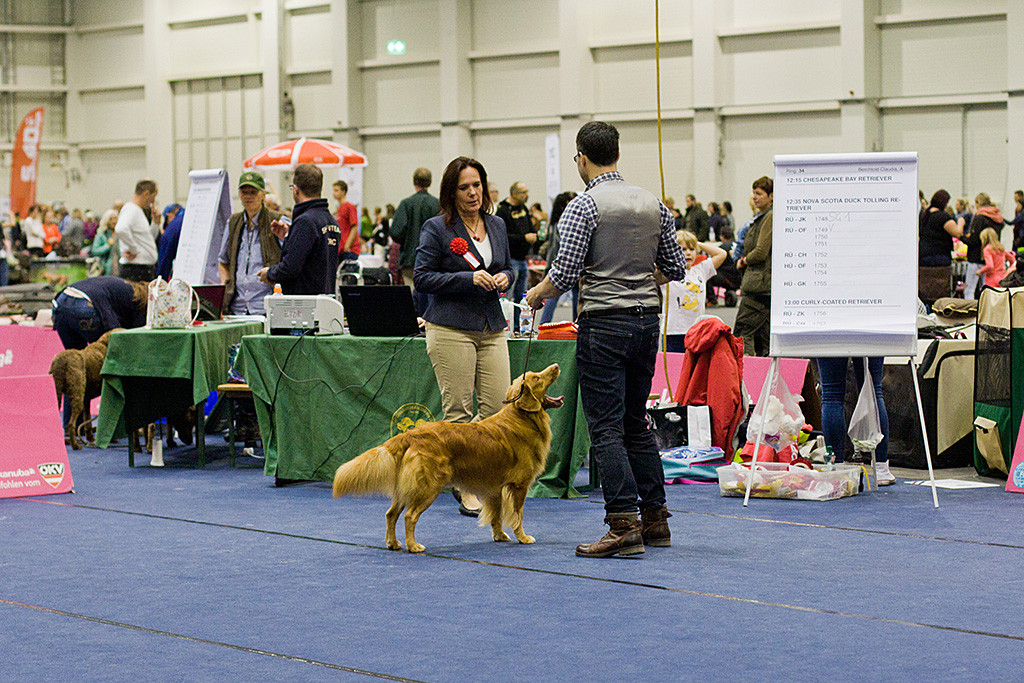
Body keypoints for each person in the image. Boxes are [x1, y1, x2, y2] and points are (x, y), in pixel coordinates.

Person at [525, 120, 687, 558]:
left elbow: (563, 273)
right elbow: (676, 268)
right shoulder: (654, 204)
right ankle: (656, 521)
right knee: (636, 423)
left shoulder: (584, 206)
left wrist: (536, 294)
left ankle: (622, 524)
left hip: (605, 324)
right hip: (645, 323)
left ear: (582, 157)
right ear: (617, 153)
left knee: (606, 428)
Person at [414, 156, 513, 517]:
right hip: (450, 327)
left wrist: (505, 278)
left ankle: (490, 484)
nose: (473, 193)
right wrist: (466, 279)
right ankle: (465, 488)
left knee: (498, 414)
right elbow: (422, 276)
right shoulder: (437, 228)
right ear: (451, 192)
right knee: (459, 414)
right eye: (464, 187)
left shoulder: (497, 224)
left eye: (477, 185)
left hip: (492, 326)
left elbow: (505, 266)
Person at [258, 163, 339, 295]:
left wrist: (270, 273)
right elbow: (314, 258)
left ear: (295, 189)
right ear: (321, 188)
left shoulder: (305, 222)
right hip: (325, 300)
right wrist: (290, 237)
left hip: (304, 305)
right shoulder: (331, 221)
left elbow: (290, 268)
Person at [816, 357, 895, 485]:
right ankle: (881, 469)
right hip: (871, 337)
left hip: (830, 336)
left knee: (832, 395)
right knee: (874, 390)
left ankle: (836, 468)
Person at [220, 171, 283, 314]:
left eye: (253, 192)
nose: (248, 196)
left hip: (266, 308)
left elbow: (290, 260)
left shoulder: (277, 220)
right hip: (237, 308)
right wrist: (226, 286)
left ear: (263, 194)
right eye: (244, 192)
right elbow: (223, 261)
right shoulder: (233, 222)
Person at [661, 230, 727, 352]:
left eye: (692, 249)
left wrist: (698, 243)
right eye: (683, 249)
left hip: (696, 331)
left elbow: (721, 254)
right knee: (675, 368)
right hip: (674, 331)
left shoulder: (701, 270)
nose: (688, 253)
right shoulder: (667, 272)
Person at [391, 167, 441, 310]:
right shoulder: (438, 204)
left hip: (411, 259)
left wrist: (407, 242)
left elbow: (396, 231)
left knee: (412, 298)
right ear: (430, 182)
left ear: (414, 182)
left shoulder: (406, 204)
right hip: (434, 261)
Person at [51, 275, 148, 350]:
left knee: (76, 358)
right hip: (86, 304)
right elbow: (134, 336)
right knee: (105, 354)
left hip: (61, 301)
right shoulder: (139, 301)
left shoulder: (120, 285)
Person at [734, 176, 774, 356]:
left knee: (743, 334)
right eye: (753, 193)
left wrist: (744, 260)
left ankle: (745, 377)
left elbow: (760, 252)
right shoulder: (762, 218)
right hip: (761, 285)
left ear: (771, 196)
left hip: (759, 286)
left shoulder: (770, 217)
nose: (754, 197)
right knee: (764, 338)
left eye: (759, 193)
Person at [496, 181, 537, 330]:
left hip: (523, 258)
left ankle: (519, 328)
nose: (527, 195)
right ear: (514, 193)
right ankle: (504, 327)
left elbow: (530, 227)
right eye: (523, 192)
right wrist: (523, 238)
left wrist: (534, 235)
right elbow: (503, 236)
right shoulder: (503, 210)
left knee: (522, 299)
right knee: (507, 297)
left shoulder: (524, 208)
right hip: (511, 259)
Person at [538, 191, 578, 324]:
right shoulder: (564, 222)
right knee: (556, 297)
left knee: (553, 297)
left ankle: (544, 324)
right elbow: (557, 247)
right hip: (564, 264)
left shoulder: (554, 222)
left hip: (558, 264)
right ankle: (576, 326)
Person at [918, 189, 962, 308]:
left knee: (925, 291)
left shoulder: (923, 216)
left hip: (923, 258)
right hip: (940, 259)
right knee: (940, 292)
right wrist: (961, 222)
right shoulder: (943, 217)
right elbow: (957, 233)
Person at [117, 179, 162, 282]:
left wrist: (155, 223)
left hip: (142, 267)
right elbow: (121, 229)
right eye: (153, 196)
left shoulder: (137, 210)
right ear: (146, 194)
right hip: (137, 268)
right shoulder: (131, 209)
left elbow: (148, 239)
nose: (153, 202)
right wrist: (134, 249)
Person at [156, 203, 184, 281]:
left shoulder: (172, 228)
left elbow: (164, 259)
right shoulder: (192, 216)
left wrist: (160, 281)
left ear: (168, 215)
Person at [332, 180, 359, 260]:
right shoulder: (339, 209)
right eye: (333, 190)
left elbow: (354, 227)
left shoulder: (350, 207)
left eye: (336, 190)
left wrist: (347, 245)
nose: (334, 193)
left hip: (349, 249)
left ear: (343, 192)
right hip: (340, 248)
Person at [90, 210, 119, 276]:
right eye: (111, 219)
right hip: (105, 269)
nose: (114, 221)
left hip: (118, 268)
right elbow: (95, 250)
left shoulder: (118, 234)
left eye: (115, 219)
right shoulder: (101, 234)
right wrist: (107, 246)